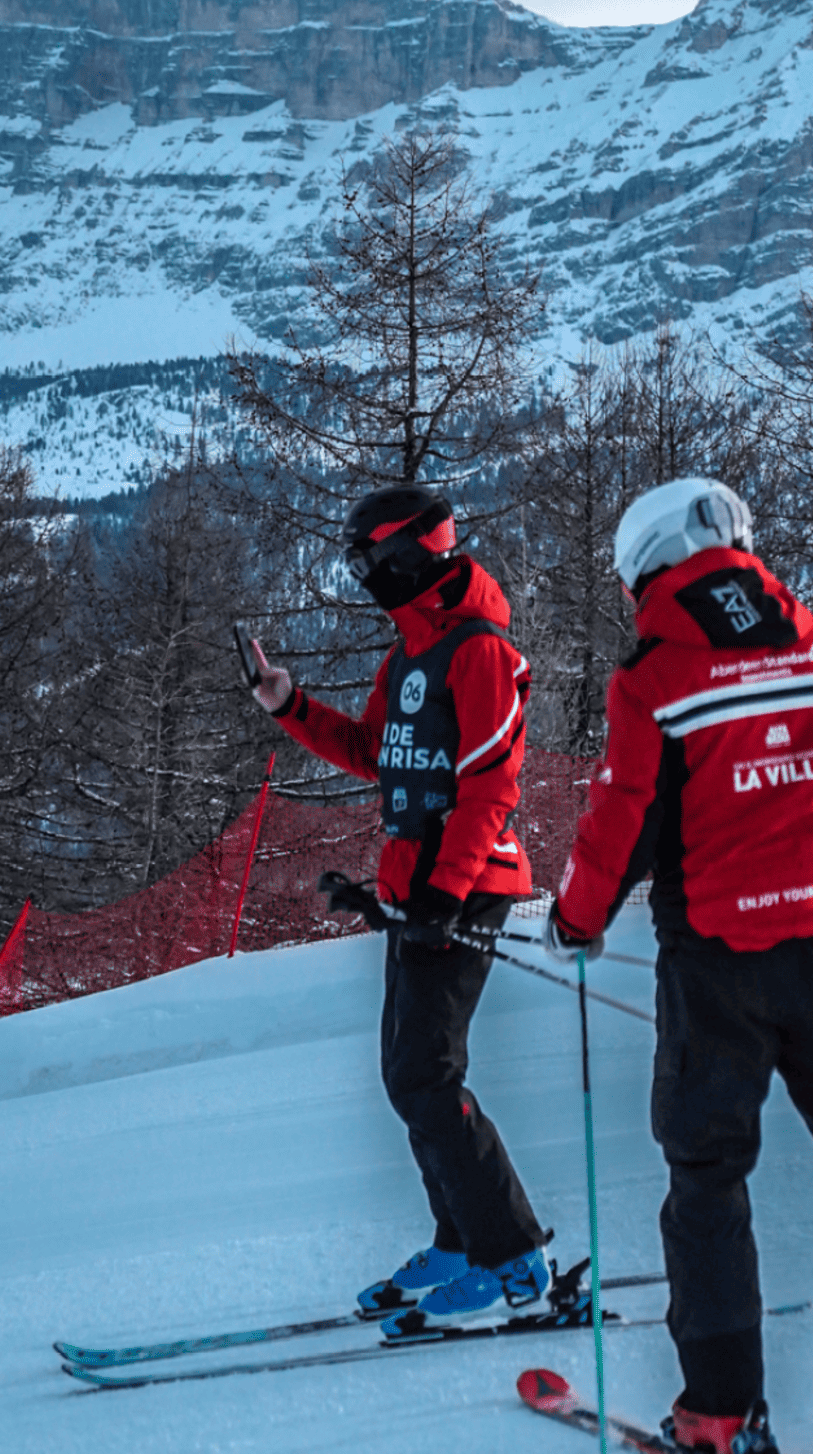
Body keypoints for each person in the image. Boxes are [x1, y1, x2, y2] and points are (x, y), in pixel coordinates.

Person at [546, 477, 813, 1454]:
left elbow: (622, 825)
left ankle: (719, 1417)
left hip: (715, 961)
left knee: (705, 1175)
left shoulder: (652, 679)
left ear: (646, 572)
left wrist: (574, 920)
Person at [247, 483, 551, 1329]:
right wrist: (288, 704)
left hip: (468, 886)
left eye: (368, 562)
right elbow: (374, 754)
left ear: (408, 556)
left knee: (427, 1075)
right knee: (406, 1077)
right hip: (417, 892)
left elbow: (492, 787)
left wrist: (447, 895)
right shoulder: (408, 657)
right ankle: (460, 1239)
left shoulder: (479, 652)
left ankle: (514, 1255)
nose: (362, 577)